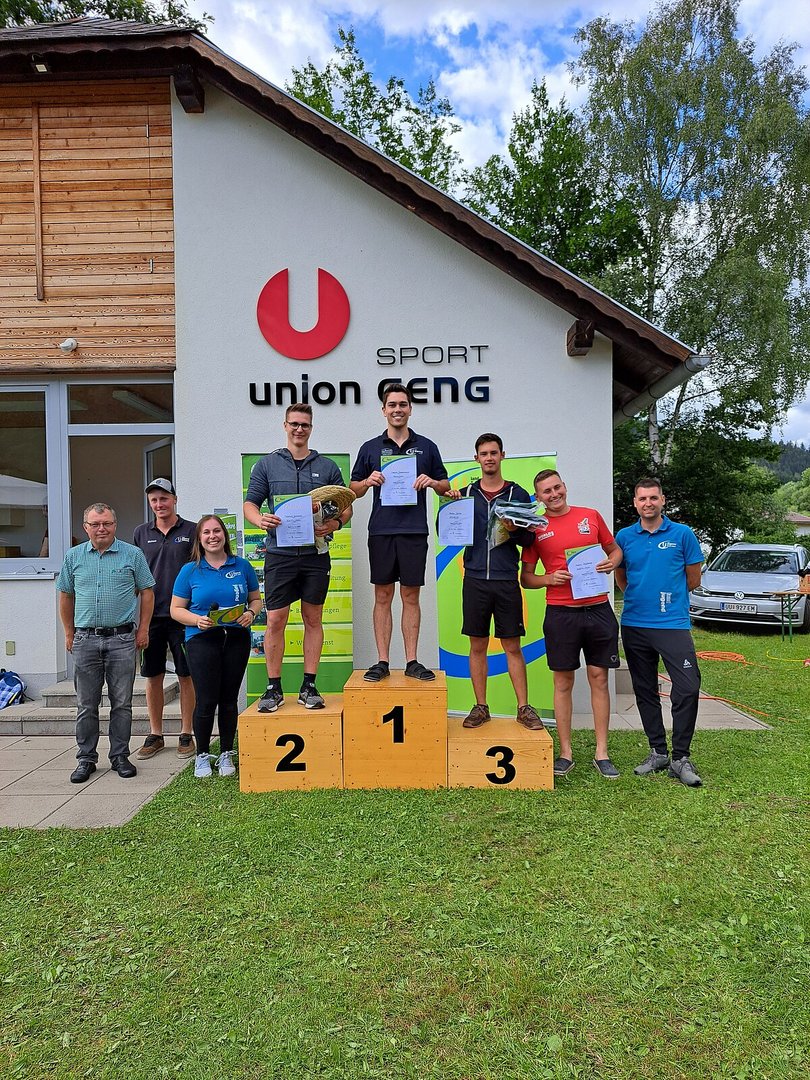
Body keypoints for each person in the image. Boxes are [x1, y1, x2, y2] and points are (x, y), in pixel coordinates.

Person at [243, 403, 351, 713]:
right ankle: (273, 687)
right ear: (285, 426)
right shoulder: (267, 465)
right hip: (280, 555)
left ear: (311, 428)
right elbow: (250, 504)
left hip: (316, 555)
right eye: (294, 423)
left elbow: (345, 507)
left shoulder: (327, 467)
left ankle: (309, 686)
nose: (299, 429)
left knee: (312, 619)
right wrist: (259, 519)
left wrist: (335, 524)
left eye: (304, 424)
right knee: (275, 619)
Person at [520, 470, 622, 779]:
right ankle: (565, 753)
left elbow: (614, 549)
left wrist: (613, 562)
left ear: (564, 486)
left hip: (598, 609)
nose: (554, 494)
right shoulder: (536, 528)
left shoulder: (590, 516)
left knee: (599, 678)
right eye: (546, 491)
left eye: (557, 487)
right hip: (561, 613)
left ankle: (602, 752)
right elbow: (526, 578)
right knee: (563, 681)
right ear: (539, 497)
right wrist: (549, 579)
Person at [350, 383, 449, 682]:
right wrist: (367, 481)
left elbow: (445, 486)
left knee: (410, 595)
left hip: (414, 531)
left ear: (410, 409)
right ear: (383, 410)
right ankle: (382, 661)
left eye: (402, 404)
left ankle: (411, 661)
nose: (397, 410)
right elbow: (352, 490)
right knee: (382, 595)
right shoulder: (370, 448)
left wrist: (431, 482)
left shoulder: (427, 446)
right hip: (381, 530)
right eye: (392, 405)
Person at [450, 433, 544, 731]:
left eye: (493, 452)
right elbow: (448, 531)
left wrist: (515, 530)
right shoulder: (465, 493)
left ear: (503, 455)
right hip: (475, 579)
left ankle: (523, 708)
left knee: (512, 646)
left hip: (505, 579)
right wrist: (449, 506)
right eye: (483, 454)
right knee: (477, 645)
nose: (489, 458)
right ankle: (481, 707)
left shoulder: (518, 494)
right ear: (476, 458)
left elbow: (529, 539)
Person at [614, 478, 704, 787]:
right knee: (645, 690)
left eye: (653, 497)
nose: (648, 503)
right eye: (642, 498)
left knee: (688, 686)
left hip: (672, 625)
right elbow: (622, 577)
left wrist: (668, 600)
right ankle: (658, 752)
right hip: (635, 624)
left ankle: (681, 757)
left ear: (662, 500)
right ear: (635, 502)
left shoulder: (683, 534)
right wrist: (642, 597)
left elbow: (693, 579)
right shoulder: (624, 537)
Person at [56, 503, 155, 783]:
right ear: (85, 527)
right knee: (86, 704)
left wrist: (143, 629)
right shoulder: (73, 556)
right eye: (96, 524)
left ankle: (120, 756)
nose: (102, 529)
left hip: (122, 639)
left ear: (115, 525)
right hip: (85, 639)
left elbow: (147, 593)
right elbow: (65, 596)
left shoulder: (132, 554)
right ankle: (86, 759)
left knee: (122, 703)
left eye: (107, 523)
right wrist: (68, 633)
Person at [170, 515, 262, 779]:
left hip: (236, 638)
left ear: (225, 535)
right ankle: (201, 755)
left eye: (217, 531)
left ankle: (225, 753)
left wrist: (251, 614)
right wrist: (196, 620)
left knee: (229, 699)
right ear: (199, 539)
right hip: (201, 639)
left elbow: (256, 600)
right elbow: (176, 609)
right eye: (207, 532)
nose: (213, 536)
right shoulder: (190, 570)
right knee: (207, 699)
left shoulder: (242, 566)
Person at [133, 478, 196, 759]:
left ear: (175, 499)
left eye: (164, 498)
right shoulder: (140, 533)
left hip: (184, 616)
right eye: (154, 500)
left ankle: (186, 733)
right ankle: (155, 734)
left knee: (186, 675)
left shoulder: (192, 530)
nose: (159, 504)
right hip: (152, 617)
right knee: (153, 676)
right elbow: (135, 575)